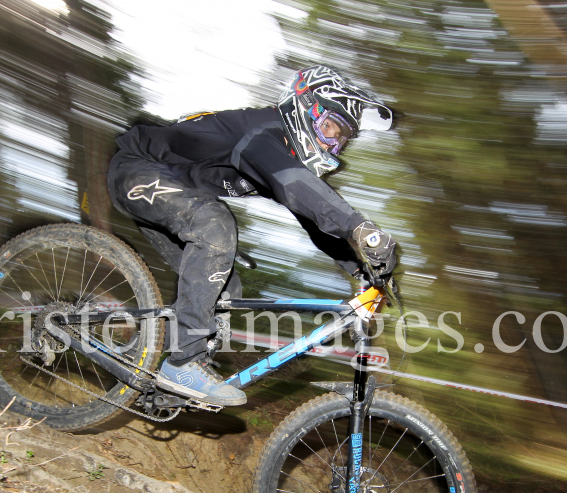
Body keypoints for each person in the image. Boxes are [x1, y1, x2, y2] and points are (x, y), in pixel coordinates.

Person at [108, 65, 397, 407]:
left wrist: (359, 269)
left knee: (226, 286)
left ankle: (174, 382)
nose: (333, 143)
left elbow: (311, 213)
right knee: (215, 226)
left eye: (342, 139)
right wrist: (362, 229)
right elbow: (299, 187)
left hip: (170, 191)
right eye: (330, 127)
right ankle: (184, 362)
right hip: (137, 170)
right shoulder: (265, 134)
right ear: (305, 108)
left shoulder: (281, 154)